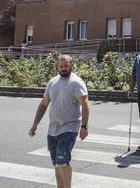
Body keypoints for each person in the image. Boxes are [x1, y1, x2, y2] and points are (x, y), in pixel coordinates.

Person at [29, 54, 89, 188]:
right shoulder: (52, 82)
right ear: (57, 66)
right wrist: (35, 125)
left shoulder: (76, 82)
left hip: (70, 127)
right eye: (61, 66)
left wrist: (84, 127)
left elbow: (85, 104)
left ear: (71, 66)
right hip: (53, 128)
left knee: (62, 161)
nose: (63, 68)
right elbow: (44, 104)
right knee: (57, 162)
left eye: (66, 65)